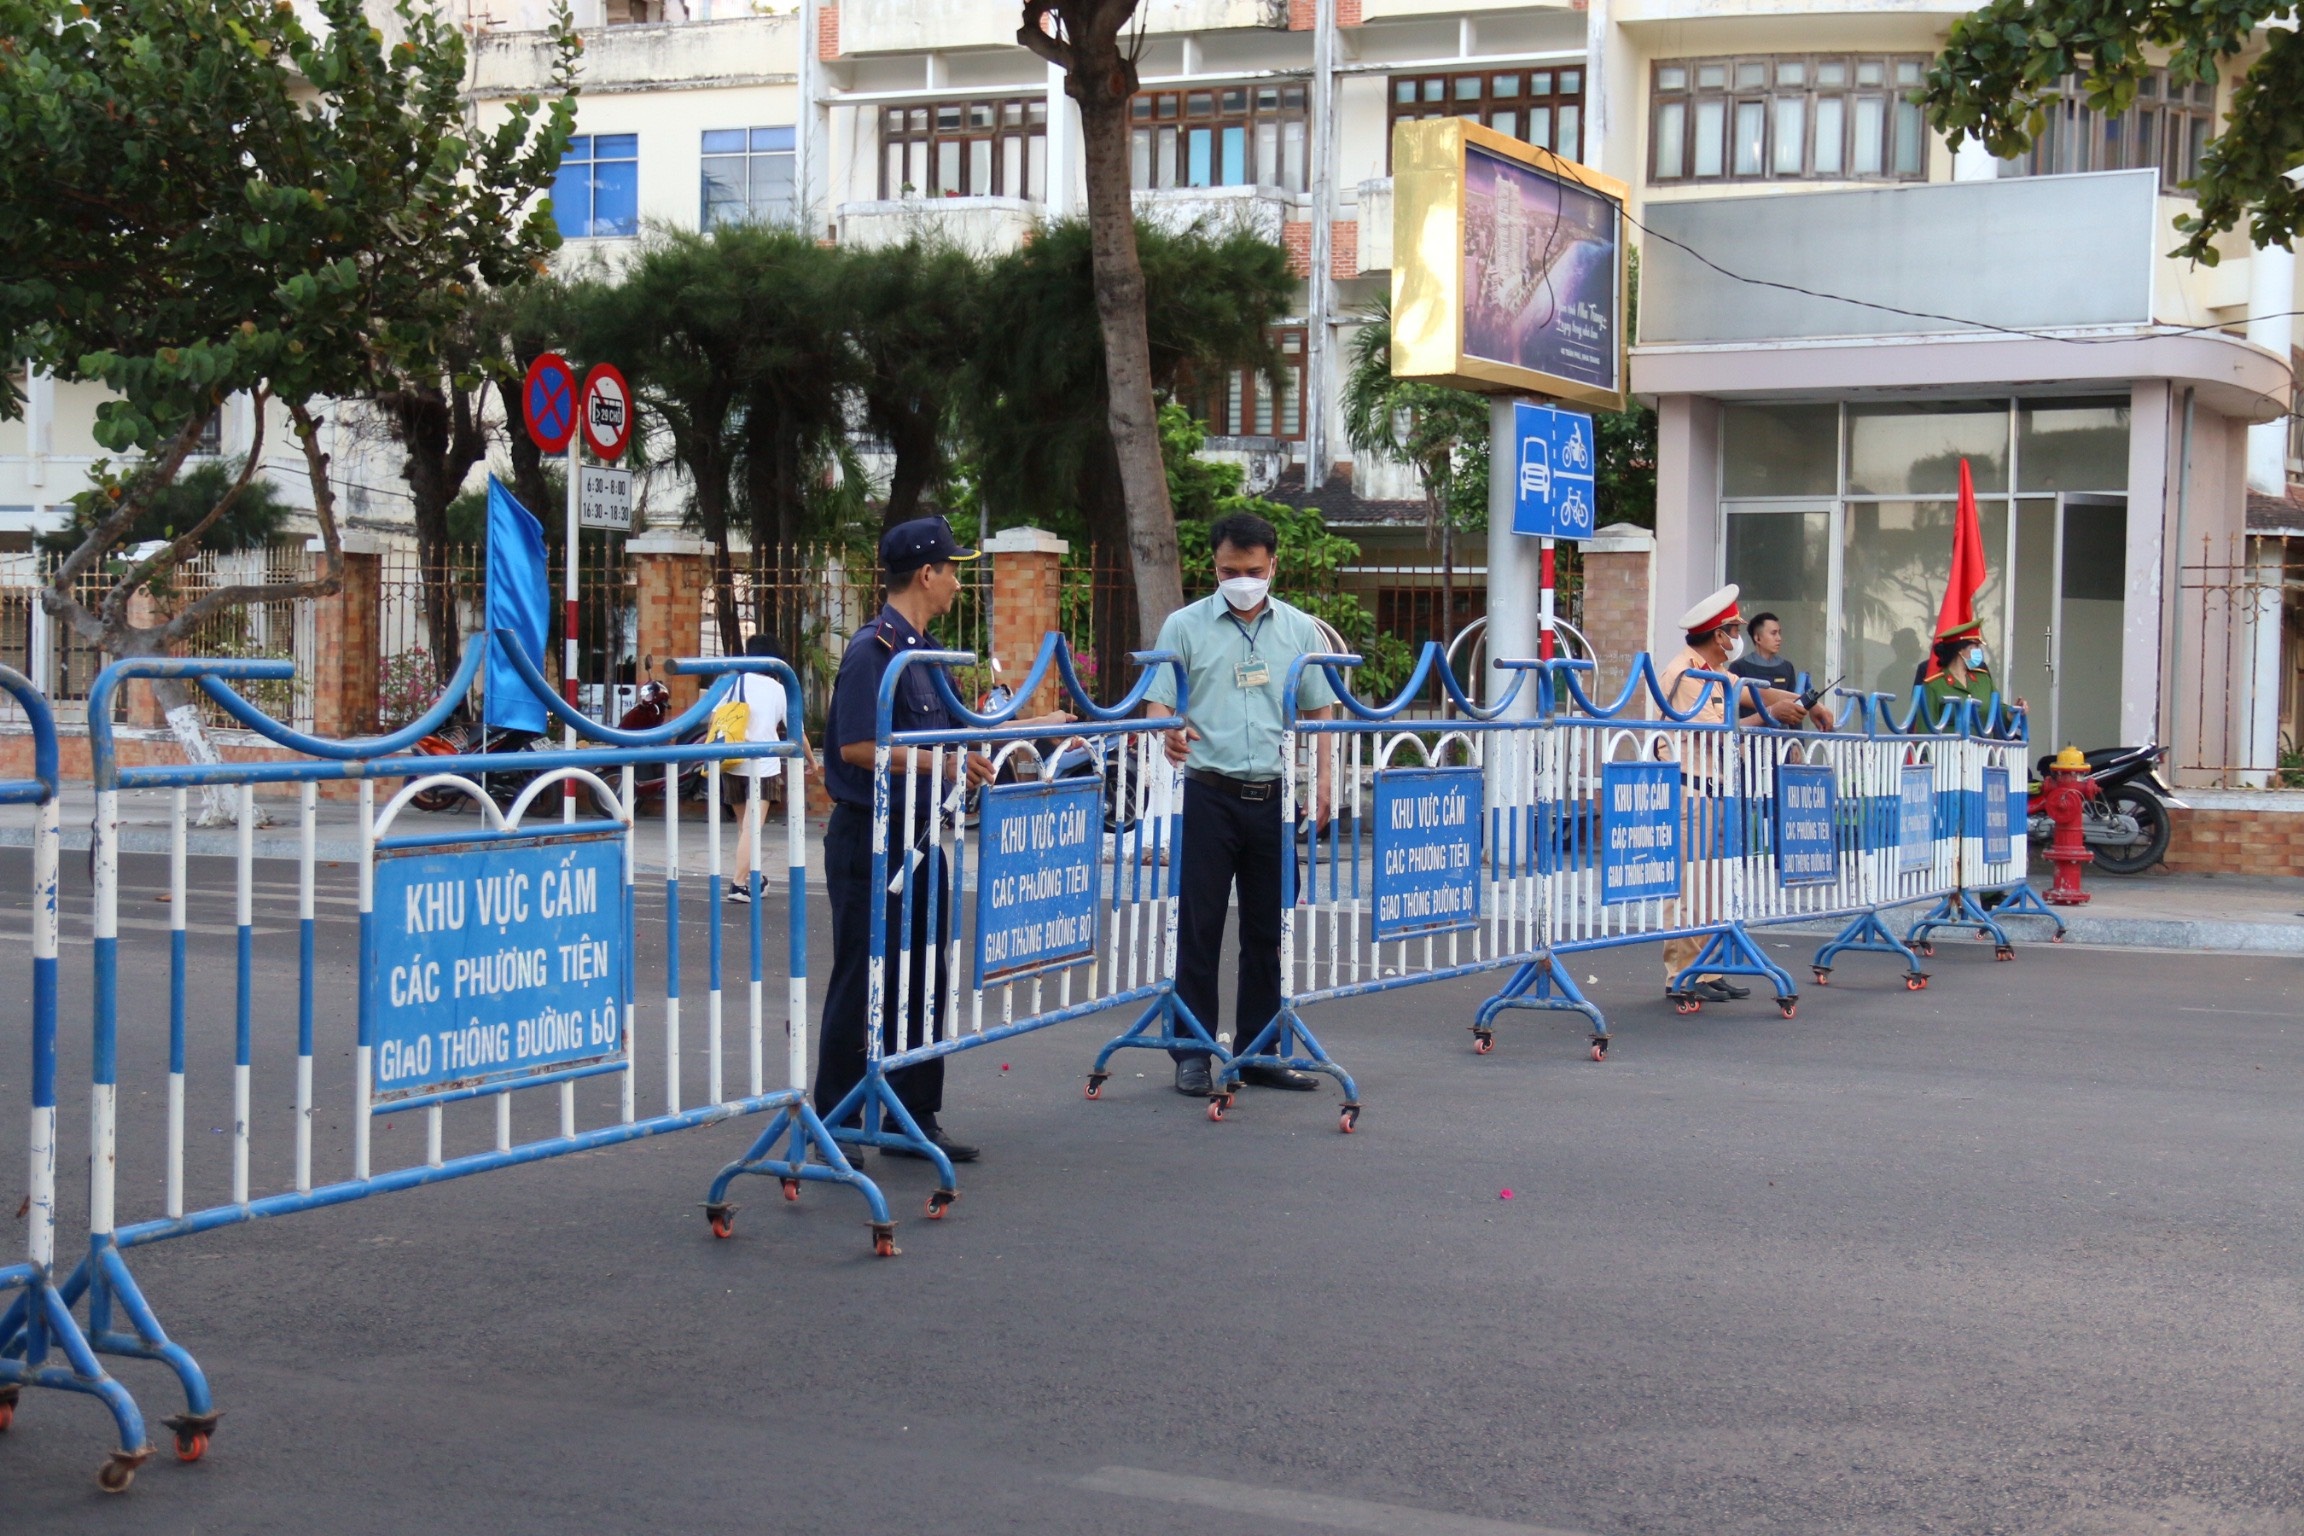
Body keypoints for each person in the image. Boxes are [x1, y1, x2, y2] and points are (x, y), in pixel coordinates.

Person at [814, 516, 1070, 1165]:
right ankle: (835, 1123)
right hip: (871, 840)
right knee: (865, 979)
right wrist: (943, 765)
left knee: (926, 976)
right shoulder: (874, 651)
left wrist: (1038, 724)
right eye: (954, 569)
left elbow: (964, 729)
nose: (959, 581)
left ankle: (912, 1114)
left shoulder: (924, 655)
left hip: (925, 836)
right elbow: (855, 745)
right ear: (926, 574)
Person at [1144, 510, 1338, 1098]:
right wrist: (1168, 729)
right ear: (1214, 566)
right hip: (1208, 793)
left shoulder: (1301, 630)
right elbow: (1156, 702)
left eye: (1253, 570)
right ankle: (1194, 1052)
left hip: (1273, 799)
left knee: (1268, 928)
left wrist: (1325, 780)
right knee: (1198, 927)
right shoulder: (1183, 626)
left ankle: (1260, 1052)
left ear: (1273, 566)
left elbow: (1319, 708)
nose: (1242, 580)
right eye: (1230, 570)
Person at [728, 633, 815, 905]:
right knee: (753, 828)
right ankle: (739, 884)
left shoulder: (733, 682)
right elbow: (796, 733)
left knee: (745, 827)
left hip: (731, 761)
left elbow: (716, 720)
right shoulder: (779, 688)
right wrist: (811, 761)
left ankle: (756, 878)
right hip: (763, 766)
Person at [1725, 611, 1836, 730]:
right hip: (1748, 738)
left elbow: (1796, 706)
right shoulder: (1739, 667)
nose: (1779, 638)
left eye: (1779, 633)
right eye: (1773, 633)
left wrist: (1796, 741)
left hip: (1781, 740)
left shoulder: (1786, 667)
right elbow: (1734, 707)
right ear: (1757, 638)